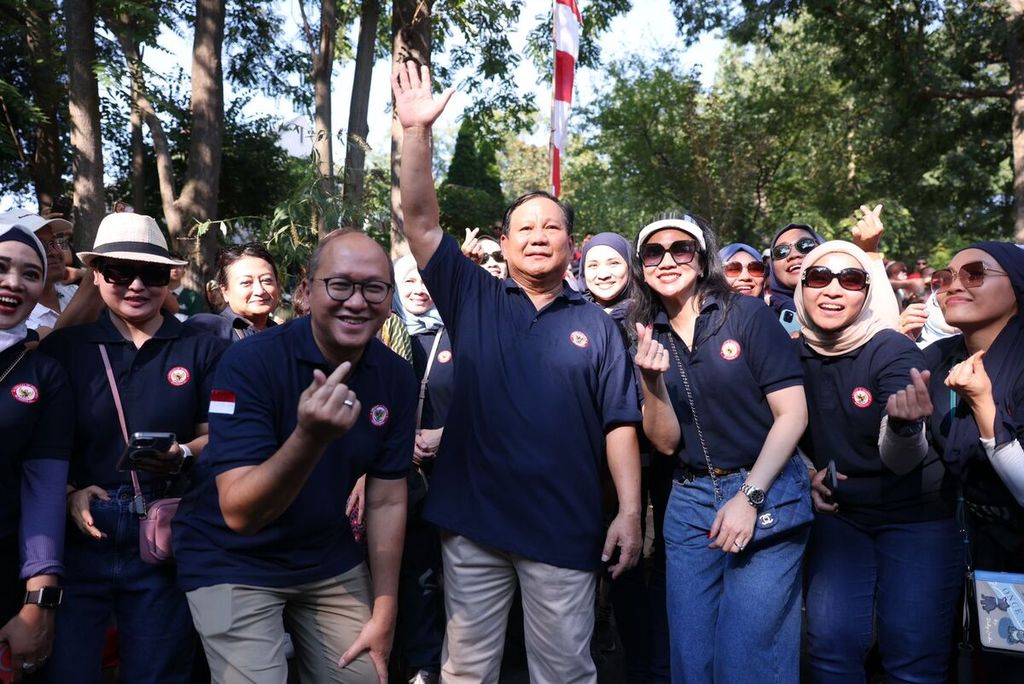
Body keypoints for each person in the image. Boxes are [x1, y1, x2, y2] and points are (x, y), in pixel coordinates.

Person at [393, 61, 642, 683]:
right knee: (467, 671)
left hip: (563, 528)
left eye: (551, 227)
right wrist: (416, 132)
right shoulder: (471, 296)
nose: (538, 236)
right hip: (474, 524)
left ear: (571, 245)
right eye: (524, 228)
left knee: (562, 672)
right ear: (503, 245)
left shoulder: (600, 328)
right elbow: (421, 221)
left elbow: (619, 424)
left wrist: (631, 511)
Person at [172, 229, 416, 683]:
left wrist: (385, 611)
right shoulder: (249, 363)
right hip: (232, 557)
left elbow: (386, 500)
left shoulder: (396, 377)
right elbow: (240, 514)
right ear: (307, 289)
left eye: (374, 287)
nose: (357, 302)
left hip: (325, 557)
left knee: (364, 676)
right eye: (339, 285)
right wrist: (309, 438)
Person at [38, 213, 227, 684]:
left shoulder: (202, 348)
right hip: (81, 535)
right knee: (67, 669)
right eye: (120, 272)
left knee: (158, 672)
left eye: (153, 273)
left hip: (165, 532)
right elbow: (41, 444)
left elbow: (221, 433)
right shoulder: (67, 348)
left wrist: (183, 453)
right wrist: (68, 491)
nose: (137, 285)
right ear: (97, 273)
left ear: (170, 278)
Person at [629, 211, 809, 683]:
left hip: (764, 490)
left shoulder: (745, 314)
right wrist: (651, 381)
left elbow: (793, 415)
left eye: (680, 248)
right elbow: (665, 443)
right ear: (641, 266)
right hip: (689, 503)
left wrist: (748, 498)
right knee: (691, 660)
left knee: (747, 661)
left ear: (702, 257)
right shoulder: (648, 333)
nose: (667, 259)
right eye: (653, 252)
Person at [794, 240, 960, 683]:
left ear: (866, 292)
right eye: (818, 277)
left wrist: (905, 428)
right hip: (842, 516)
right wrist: (806, 472)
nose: (832, 290)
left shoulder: (891, 351)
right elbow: (777, 428)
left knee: (912, 658)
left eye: (849, 280)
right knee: (830, 650)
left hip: (916, 517)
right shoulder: (789, 352)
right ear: (801, 287)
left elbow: (903, 460)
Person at [921, 242, 1024, 682]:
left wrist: (985, 410)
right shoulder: (934, 358)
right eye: (945, 278)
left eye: (976, 273)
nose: (954, 285)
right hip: (963, 546)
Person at [0, 223, 72, 678]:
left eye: (30, 274)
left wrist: (38, 599)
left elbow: (44, 487)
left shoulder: (44, 374)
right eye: (1, 268)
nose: (13, 284)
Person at [386, 254, 450, 683]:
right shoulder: (380, 330)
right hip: (388, 471)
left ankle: (426, 664)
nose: (418, 288)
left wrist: (446, 434)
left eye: (426, 280)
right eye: (408, 279)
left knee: (429, 573)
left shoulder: (458, 332)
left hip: (448, 470)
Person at [0, 209, 76, 336]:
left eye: (54, 242)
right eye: (38, 245)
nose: (55, 252)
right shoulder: (12, 315)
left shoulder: (74, 292)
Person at [187, 243, 280, 340]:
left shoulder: (285, 335)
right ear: (225, 291)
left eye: (267, 280)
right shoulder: (205, 329)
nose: (260, 291)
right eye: (246, 282)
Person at [766, 222, 824, 315]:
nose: (793, 255)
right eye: (781, 251)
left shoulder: (851, 307)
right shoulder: (759, 321)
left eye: (805, 245)